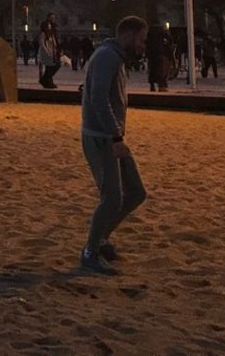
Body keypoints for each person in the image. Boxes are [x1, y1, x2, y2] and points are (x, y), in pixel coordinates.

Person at [80, 16, 149, 275]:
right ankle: (90, 252)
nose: (143, 45)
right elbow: (98, 98)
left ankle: (101, 239)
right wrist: (116, 138)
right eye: (141, 39)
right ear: (128, 35)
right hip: (102, 137)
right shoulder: (107, 57)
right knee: (111, 198)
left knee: (136, 192)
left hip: (110, 135)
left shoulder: (114, 58)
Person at [37, 15, 61, 88]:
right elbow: (42, 43)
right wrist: (47, 51)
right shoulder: (44, 34)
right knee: (54, 66)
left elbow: (55, 43)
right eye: (48, 25)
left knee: (51, 67)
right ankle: (46, 80)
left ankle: (47, 81)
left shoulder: (52, 34)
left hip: (52, 52)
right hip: (47, 53)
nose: (50, 27)